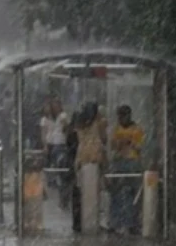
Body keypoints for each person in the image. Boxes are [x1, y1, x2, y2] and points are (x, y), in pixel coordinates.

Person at [109, 104, 146, 234]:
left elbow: (139, 148)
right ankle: (115, 222)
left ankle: (132, 223)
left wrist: (129, 142)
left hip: (132, 162)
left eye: (122, 116)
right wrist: (120, 143)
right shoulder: (116, 129)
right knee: (116, 192)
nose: (120, 119)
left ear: (128, 116)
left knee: (132, 193)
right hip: (119, 161)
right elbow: (113, 146)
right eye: (118, 117)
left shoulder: (137, 129)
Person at [69, 102, 107, 230]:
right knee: (94, 191)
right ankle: (92, 220)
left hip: (82, 157)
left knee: (82, 190)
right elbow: (104, 138)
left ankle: (82, 221)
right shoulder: (99, 123)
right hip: (95, 156)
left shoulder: (79, 124)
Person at [39, 98, 69, 202]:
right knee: (46, 165)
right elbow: (43, 133)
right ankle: (50, 182)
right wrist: (45, 146)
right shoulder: (45, 119)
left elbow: (66, 128)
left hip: (60, 143)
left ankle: (58, 180)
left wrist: (64, 124)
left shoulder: (62, 116)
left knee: (59, 163)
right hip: (50, 143)